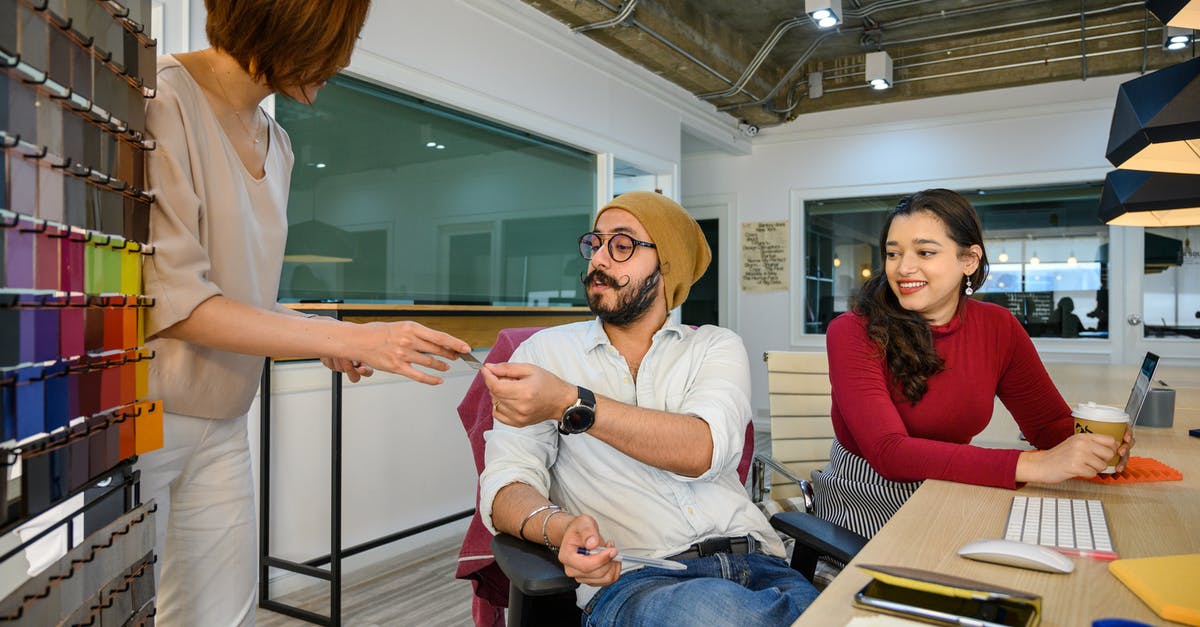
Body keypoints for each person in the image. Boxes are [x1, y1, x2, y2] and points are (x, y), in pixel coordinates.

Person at [138, 1, 471, 624]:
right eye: (336, 40)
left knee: (221, 616)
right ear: (285, 22)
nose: (342, 60)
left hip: (225, 414)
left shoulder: (279, 142)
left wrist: (329, 337)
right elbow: (176, 301)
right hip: (146, 413)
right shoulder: (164, 99)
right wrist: (359, 339)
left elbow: (245, 299)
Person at [478, 191, 818, 626]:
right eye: (595, 243)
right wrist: (560, 528)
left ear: (667, 265)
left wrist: (572, 402)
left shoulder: (714, 346)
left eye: (621, 245)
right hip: (638, 579)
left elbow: (703, 450)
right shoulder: (545, 355)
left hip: (759, 564)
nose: (599, 259)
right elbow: (507, 482)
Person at [816, 189, 1134, 539]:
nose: (903, 268)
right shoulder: (852, 331)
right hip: (869, 495)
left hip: (956, 482)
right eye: (894, 253)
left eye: (925, 252)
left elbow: (1048, 426)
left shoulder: (997, 326)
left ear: (968, 260)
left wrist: (1093, 444)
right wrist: (1036, 464)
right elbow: (889, 453)